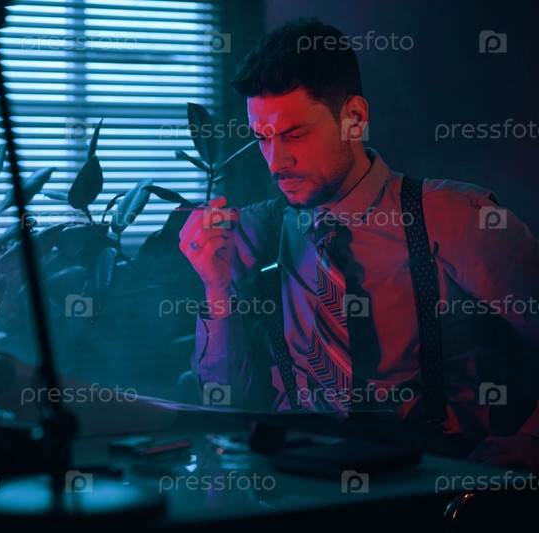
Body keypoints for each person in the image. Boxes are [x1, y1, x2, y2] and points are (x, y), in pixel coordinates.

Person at [179, 17, 539, 472]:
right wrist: (216, 289)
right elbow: (228, 406)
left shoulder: (460, 220)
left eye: (294, 134)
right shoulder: (248, 235)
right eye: (263, 138)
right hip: (295, 482)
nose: (276, 161)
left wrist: (532, 441)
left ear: (354, 118)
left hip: (431, 483)